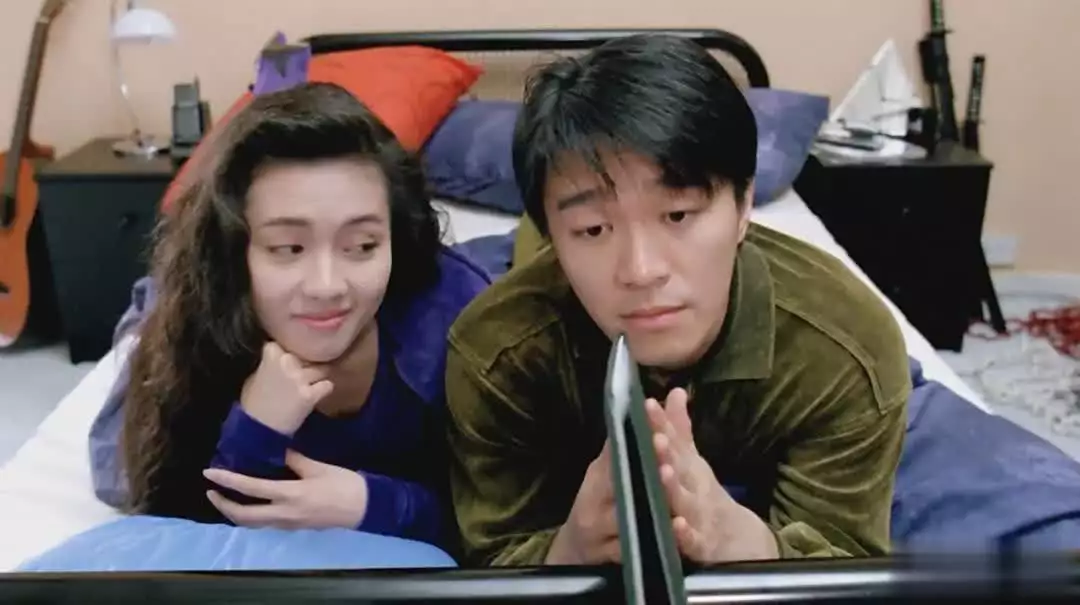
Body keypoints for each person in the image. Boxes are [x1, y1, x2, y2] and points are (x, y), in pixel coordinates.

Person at [444, 34, 911, 567]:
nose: (641, 271)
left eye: (678, 215)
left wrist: (745, 543)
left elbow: (847, 565)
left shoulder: (846, 349)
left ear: (743, 206)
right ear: (552, 233)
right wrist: (569, 550)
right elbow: (493, 555)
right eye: (593, 229)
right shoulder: (496, 355)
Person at [88, 82, 491, 552]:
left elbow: (502, 521)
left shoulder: (461, 325)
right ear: (236, 253)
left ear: (395, 241)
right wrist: (256, 428)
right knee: (113, 463)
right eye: (288, 248)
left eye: (362, 246)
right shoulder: (201, 321)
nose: (327, 286)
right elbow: (181, 526)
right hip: (192, 307)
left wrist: (369, 504)